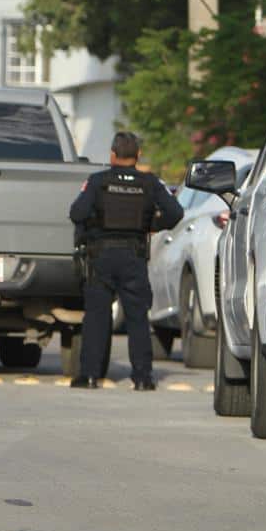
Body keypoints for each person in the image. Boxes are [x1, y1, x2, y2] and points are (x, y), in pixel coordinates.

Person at [68, 132, 183, 390]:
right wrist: (151, 225)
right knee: (137, 317)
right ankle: (142, 378)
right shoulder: (149, 183)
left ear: (112, 154)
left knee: (97, 316)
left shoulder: (97, 182)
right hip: (134, 256)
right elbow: (176, 213)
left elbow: (77, 213)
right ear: (138, 156)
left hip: (101, 256)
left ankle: (89, 376)